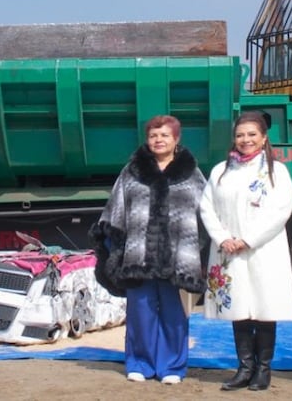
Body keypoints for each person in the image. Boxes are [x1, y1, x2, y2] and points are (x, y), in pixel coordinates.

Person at [88, 115, 206, 385]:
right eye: (153, 135)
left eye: (164, 135)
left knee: (174, 314)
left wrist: (203, 248)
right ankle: (140, 362)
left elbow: (206, 212)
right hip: (137, 254)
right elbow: (116, 209)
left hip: (178, 256)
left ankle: (172, 367)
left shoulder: (192, 173)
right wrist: (111, 246)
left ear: (176, 139)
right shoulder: (131, 171)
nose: (158, 140)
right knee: (140, 312)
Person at [199, 111, 292, 392]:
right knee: (238, 309)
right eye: (240, 135)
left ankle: (263, 369)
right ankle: (244, 368)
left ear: (264, 137)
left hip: (263, 250)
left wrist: (248, 239)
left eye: (252, 134)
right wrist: (222, 238)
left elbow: (281, 211)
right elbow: (207, 207)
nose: (246, 140)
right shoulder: (220, 171)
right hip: (229, 251)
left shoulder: (277, 172)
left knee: (264, 310)